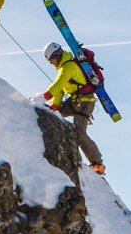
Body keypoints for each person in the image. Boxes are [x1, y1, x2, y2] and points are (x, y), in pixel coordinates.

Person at [43, 42, 105, 175]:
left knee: (79, 133)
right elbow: (59, 92)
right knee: (53, 116)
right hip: (75, 101)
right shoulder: (64, 68)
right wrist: (53, 107)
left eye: (51, 60)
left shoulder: (69, 67)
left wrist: (43, 98)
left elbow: (57, 86)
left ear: (57, 55)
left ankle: (97, 164)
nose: (51, 63)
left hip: (84, 102)